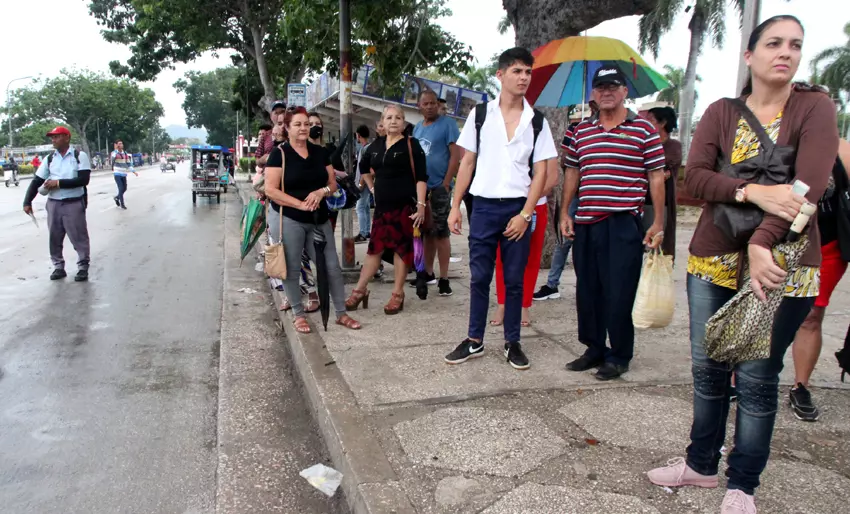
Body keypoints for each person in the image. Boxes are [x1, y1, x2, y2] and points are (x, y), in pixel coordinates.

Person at [646, 16, 839, 514]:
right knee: (708, 369)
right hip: (714, 258)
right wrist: (751, 190)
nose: (787, 53)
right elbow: (696, 179)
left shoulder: (814, 107)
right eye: (774, 43)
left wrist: (763, 243)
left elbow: (808, 187)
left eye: (796, 45)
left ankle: (743, 484)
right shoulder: (721, 111)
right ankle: (700, 465)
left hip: (783, 263)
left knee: (756, 376)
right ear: (748, 55)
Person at [443, 47, 557, 371]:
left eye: (527, 72)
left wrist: (526, 214)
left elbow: (541, 174)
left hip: (517, 209)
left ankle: (512, 342)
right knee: (479, 276)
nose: (523, 78)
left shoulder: (537, 121)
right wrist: (455, 208)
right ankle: (474, 340)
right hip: (482, 207)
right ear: (501, 75)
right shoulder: (481, 116)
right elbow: (467, 163)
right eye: (517, 71)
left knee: (515, 278)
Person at [560, 66, 666, 381]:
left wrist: (658, 221)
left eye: (613, 86)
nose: (606, 92)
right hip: (587, 223)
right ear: (593, 93)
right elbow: (571, 173)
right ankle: (594, 348)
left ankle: (619, 354)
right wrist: (565, 212)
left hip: (622, 223)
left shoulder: (644, 129)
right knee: (588, 290)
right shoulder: (580, 131)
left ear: (625, 92)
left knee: (619, 291)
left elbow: (656, 176)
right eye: (601, 86)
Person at [263, 107, 361, 334]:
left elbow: (333, 184)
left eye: (306, 124)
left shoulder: (320, 152)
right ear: (287, 128)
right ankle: (298, 314)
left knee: (332, 267)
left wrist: (320, 192)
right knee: (292, 267)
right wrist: (299, 204)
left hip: (318, 218)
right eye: (297, 124)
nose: (303, 128)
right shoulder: (280, 154)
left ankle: (340, 313)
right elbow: (270, 190)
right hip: (289, 218)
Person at [788, 138, 850, 421]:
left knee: (811, 315)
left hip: (828, 245)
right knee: (760, 309)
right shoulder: (775, 137)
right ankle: (743, 379)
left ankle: (801, 386)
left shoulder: (841, 148)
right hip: (776, 241)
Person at [345, 105, 428, 315]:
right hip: (382, 210)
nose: (393, 121)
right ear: (382, 121)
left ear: (404, 122)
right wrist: (372, 188)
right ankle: (360, 290)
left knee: (401, 250)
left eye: (398, 117)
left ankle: (397, 294)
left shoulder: (411, 144)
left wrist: (421, 206)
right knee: (374, 250)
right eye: (389, 117)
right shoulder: (375, 146)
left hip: (404, 208)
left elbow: (421, 177)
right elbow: (363, 168)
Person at [533, 101, 599, 302]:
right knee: (565, 241)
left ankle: (590, 286)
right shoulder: (577, 130)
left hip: (600, 200)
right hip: (578, 195)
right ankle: (552, 284)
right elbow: (565, 160)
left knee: (592, 245)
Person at [23, 126, 92, 282]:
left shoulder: (79, 156)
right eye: (52, 137)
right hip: (54, 204)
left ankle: (83, 266)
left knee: (78, 236)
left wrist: (58, 183)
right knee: (55, 236)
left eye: (56, 137)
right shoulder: (50, 159)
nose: (53, 140)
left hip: (73, 203)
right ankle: (58, 267)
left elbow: (83, 180)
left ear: (66, 138)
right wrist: (27, 201)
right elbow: (37, 181)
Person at [413, 89, 461, 296]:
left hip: (440, 187)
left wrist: (447, 182)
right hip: (421, 189)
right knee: (425, 232)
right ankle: (428, 273)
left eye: (433, 103)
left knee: (441, 233)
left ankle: (444, 278)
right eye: (426, 103)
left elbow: (455, 155)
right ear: (420, 106)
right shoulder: (416, 129)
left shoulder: (448, 125)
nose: (430, 106)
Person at [644, 106, 682, 261]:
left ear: (663, 123)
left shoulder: (673, 147)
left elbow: (663, 174)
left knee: (655, 246)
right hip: (640, 201)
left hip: (660, 204)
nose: (647, 123)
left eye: (651, 120)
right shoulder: (645, 143)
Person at [354, 124, 373, 243]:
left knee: (359, 207)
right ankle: (366, 231)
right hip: (367, 183)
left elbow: (365, 169)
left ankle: (362, 233)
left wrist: (360, 184)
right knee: (365, 207)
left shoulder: (365, 149)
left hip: (364, 183)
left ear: (358, 135)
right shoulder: (368, 147)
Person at [111, 140, 138, 209]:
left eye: (122, 143)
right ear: (117, 145)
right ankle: (122, 204)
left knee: (125, 188)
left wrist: (134, 171)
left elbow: (129, 164)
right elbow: (112, 159)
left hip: (123, 173)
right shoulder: (114, 153)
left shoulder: (125, 154)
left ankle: (117, 197)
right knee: (120, 188)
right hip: (117, 173)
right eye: (119, 144)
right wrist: (116, 149)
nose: (121, 145)